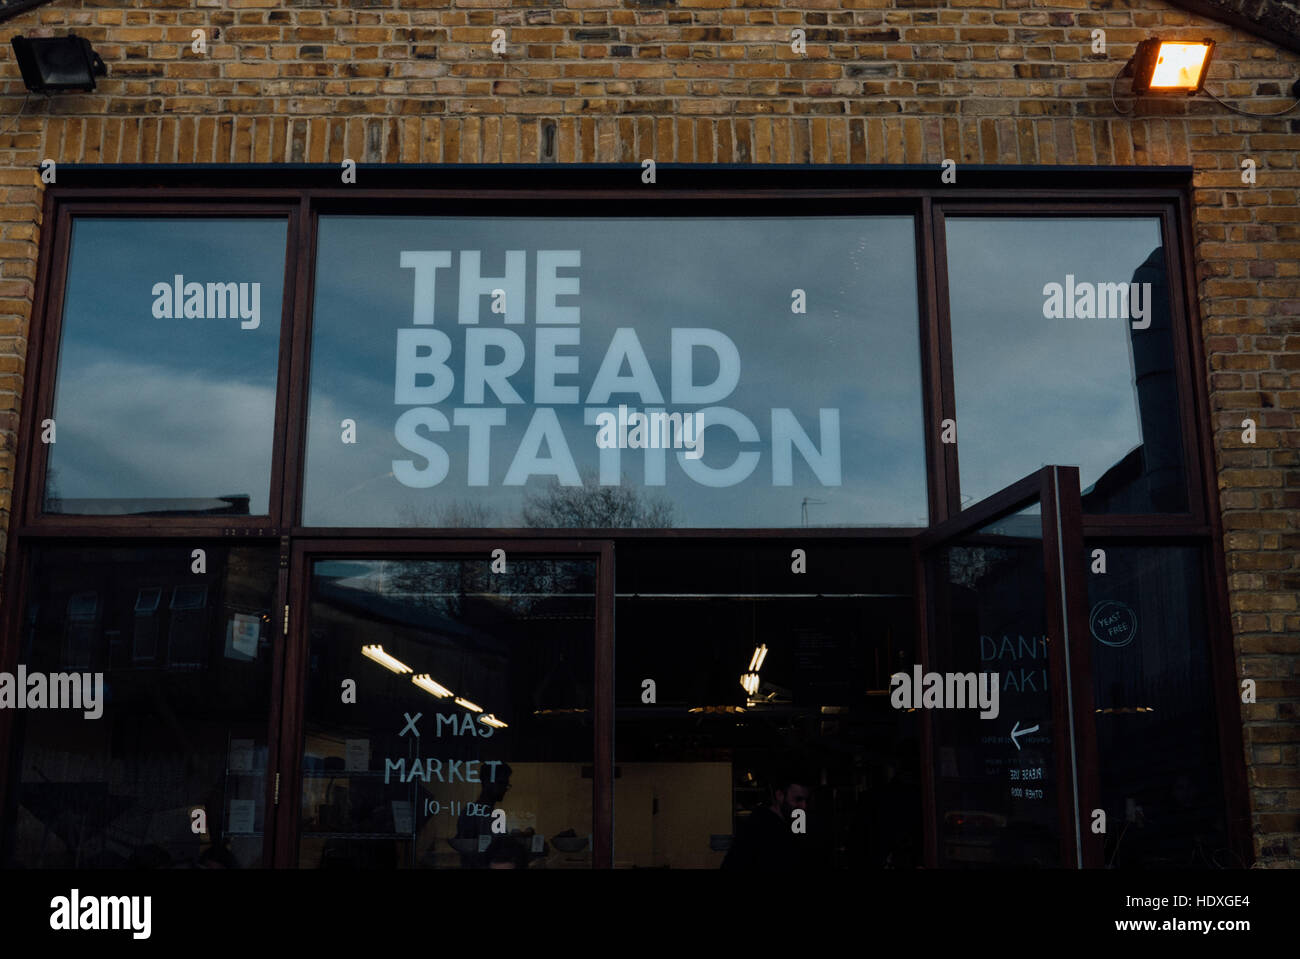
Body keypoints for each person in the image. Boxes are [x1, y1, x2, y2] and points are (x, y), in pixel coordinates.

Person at [721, 772, 811, 870]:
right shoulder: (758, 827)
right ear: (780, 795)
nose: (804, 806)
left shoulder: (793, 823)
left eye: (807, 801)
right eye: (798, 799)